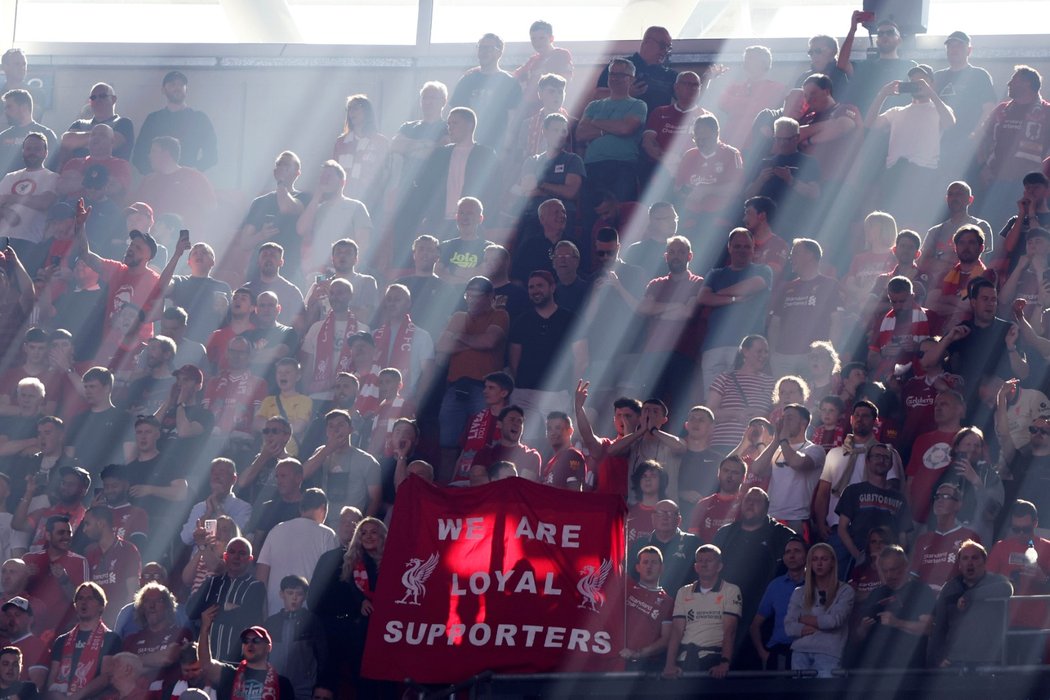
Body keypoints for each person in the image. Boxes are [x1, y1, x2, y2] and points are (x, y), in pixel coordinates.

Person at [713, 487, 797, 636]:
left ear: (766, 508)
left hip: (766, 606)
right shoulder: (725, 533)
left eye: (757, 501)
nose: (751, 504)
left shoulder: (782, 535)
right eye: (748, 500)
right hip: (725, 604)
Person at [977, 66, 1050, 225]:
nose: (1009, 83)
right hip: (995, 181)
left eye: (1014, 80)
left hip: (1029, 186)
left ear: (1028, 84)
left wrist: (1043, 177)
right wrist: (983, 167)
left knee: (1023, 228)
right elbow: (982, 139)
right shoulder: (1001, 109)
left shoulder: (1046, 111)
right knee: (991, 224)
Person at [927, 540, 1013, 667]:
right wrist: (937, 658)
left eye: (975, 558)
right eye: (965, 558)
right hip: (954, 661)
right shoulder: (950, 588)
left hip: (988, 661)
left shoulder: (996, 581)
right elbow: (939, 627)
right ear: (959, 564)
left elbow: (1007, 589)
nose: (970, 563)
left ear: (984, 561)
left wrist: (970, 596)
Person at [662, 544, 741, 679]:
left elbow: (730, 631)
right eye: (700, 561)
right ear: (695, 566)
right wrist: (669, 664)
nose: (704, 564)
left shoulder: (731, 590)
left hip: (714, 659)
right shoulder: (684, 591)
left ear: (719, 566)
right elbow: (676, 630)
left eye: (709, 560)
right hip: (685, 658)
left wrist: (724, 663)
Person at [255, 489, 337, 618]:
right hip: (309, 618)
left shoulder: (276, 530)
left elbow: (261, 573)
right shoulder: (327, 534)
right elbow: (331, 576)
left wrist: (262, 609)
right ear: (323, 508)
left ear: (301, 508)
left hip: (274, 613)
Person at [852, 545, 935, 669]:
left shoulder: (920, 590)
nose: (889, 575)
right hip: (875, 669)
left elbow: (929, 629)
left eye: (894, 569)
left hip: (909, 668)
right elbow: (857, 637)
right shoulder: (876, 594)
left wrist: (896, 623)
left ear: (906, 567)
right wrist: (863, 629)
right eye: (885, 571)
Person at [836, 442, 913, 576]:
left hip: (890, 567)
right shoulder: (852, 491)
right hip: (857, 561)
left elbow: (903, 537)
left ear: (890, 464)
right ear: (867, 461)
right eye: (877, 456)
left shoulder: (900, 498)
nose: (881, 460)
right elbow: (842, 528)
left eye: (886, 458)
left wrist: (897, 560)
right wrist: (857, 555)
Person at [186, 538, 266, 664]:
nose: (236, 557)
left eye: (242, 553)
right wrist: (228, 608)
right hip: (206, 661)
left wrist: (212, 610)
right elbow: (190, 611)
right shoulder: (212, 582)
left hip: (236, 664)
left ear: (250, 559)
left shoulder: (255, 586)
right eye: (232, 552)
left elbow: (247, 619)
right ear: (225, 556)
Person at [784, 542, 854, 677]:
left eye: (824, 559)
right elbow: (789, 626)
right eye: (815, 559)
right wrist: (813, 625)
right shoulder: (799, 592)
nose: (819, 563)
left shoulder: (845, 591)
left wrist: (803, 618)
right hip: (800, 651)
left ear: (832, 562)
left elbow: (833, 621)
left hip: (829, 652)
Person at [294, 161, 372, 278]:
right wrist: (317, 196)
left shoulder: (356, 206)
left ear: (342, 182)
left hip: (346, 271)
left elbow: (364, 243)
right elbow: (301, 229)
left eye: (329, 176)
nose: (324, 180)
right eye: (322, 177)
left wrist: (351, 271)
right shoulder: (317, 209)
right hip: (321, 272)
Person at [45, 582, 121, 700]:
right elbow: (51, 681)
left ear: (101, 606)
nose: (84, 602)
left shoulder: (111, 638)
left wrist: (75, 698)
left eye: (89, 598)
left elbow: (105, 678)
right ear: (75, 605)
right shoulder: (61, 640)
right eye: (80, 599)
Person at [196, 610, 294, 700]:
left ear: (268, 648)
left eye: (256, 640)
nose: (250, 644)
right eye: (246, 641)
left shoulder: (282, 684)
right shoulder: (230, 675)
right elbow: (205, 664)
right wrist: (205, 629)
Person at [449, 34, 522, 151]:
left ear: (499, 53)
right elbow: (454, 114)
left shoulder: (510, 82)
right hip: (466, 146)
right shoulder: (466, 80)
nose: (484, 51)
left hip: (495, 147)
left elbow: (513, 117)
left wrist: (507, 144)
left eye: (489, 48)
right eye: (481, 47)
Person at [120, 582, 190, 696]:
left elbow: (168, 657)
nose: (152, 606)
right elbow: (120, 670)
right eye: (147, 601)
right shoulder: (131, 640)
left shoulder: (181, 633)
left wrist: (134, 663)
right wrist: (151, 661)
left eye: (158, 601)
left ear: (168, 606)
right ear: (142, 607)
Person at [262, 575, 325, 700]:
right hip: (275, 686)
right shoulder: (271, 622)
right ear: (282, 594)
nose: (294, 598)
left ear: (305, 596)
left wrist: (320, 684)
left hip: (304, 689)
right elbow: (263, 655)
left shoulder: (312, 621)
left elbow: (323, 655)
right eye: (290, 593)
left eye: (299, 594)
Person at [749, 536, 806, 671]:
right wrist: (763, 653)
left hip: (809, 651)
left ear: (807, 555)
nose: (791, 555)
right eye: (787, 552)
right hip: (780, 652)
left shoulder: (818, 582)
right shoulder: (775, 585)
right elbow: (755, 624)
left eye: (797, 551)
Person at [912, 482, 981, 592]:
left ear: (958, 505)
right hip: (923, 601)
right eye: (937, 497)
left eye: (946, 497)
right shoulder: (923, 540)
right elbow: (913, 577)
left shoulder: (969, 537)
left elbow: (974, 578)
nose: (940, 500)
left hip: (954, 599)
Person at [593, 26, 677, 114]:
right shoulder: (619, 66)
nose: (665, 51)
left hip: (656, 125)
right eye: (663, 46)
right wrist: (625, 94)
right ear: (646, 42)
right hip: (619, 123)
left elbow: (689, 100)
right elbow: (598, 96)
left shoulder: (671, 75)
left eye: (669, 48)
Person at [55, 83, 134, 166]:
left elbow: (112, 144)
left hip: (111, 176)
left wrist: (78, 140)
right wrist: (103, 136)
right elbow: (67, 141)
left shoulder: (124, 123)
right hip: (78, 176)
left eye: (102, 96)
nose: (97, 100)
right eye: (93, 97)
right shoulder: (78, 124)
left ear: (113, 99)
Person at [621, 546, 673, 672]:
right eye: (645, 562)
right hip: (616, 660)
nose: (649, 566)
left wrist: (638, 654)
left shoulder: (668, 601)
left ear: (662, 568)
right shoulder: (625, 588)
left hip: (646, 666)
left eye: (654, 562)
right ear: (638, 567)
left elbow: (666, 639)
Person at [629, 500, 699, 593]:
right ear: (652, 518)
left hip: (684, 602)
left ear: (679, 520)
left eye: (670, 514)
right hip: (646, 603)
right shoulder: (640, 545)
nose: (665, 518)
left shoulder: (693, 544)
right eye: (660, 513)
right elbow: (630, 578)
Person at [686, 455, 744, 544]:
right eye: (726, 470)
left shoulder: (746, 504)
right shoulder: (703, 504)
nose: (729, 475)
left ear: (743, 478)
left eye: (735, 472)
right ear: (718, 473)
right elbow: (693, 538)